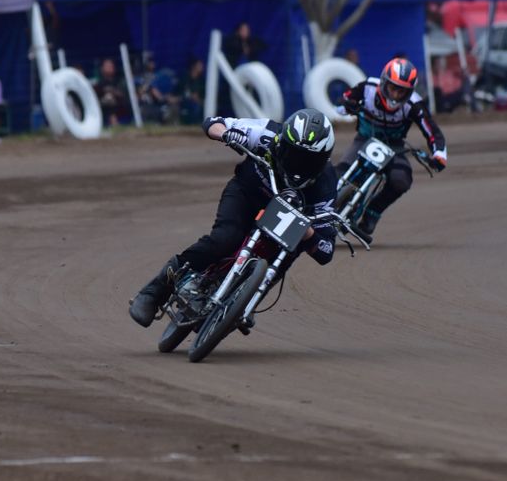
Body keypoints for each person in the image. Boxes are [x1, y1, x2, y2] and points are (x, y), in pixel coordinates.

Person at [128, 108, 340, 328]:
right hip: (247, 194)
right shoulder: (265, 132)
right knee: (225, 238)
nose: (299, 165)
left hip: (286, 219)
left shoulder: (326, 184)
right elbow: (212, 123)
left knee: (291, 249)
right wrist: (227, 134)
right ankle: (155, 291)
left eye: (309, 161)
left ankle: (247, 300)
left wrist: (308, 233)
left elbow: (326, 252)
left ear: (324, 159)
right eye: (294, 155)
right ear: (282, 142)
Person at [334, 56, 447, 244]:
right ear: (383, 82)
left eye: (401, 91)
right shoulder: (367, 88)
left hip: (394, 148)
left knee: (401, 180)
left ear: (409, 92)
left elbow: (432, 131)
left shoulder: (414, 105)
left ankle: (372, 214)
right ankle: (320, 208)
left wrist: (439, 154)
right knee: (338, 174)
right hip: (364, 140)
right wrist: (348, 105)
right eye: (392, 87)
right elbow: (344, 101)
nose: (395, 95)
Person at [93, 57, 129, 127]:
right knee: (107, 99)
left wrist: (112, 91)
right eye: (107, 66)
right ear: (102, 69)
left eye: (111, 66)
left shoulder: (120, 81)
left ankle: (114, 123)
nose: (110, 68)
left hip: (120, 106)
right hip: (103, 107)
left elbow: (123, 95)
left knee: (110, 98)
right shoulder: (99, 84)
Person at [177, 58, 206, 125]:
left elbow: (203, 96)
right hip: (183, 102)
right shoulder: (184, 78)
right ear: (194, 66)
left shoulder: (201, 81)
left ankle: (196, 124)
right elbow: (177, 93)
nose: (202, 67)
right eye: (199, 65)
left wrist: (197, 99)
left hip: (198, 103)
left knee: (197, 107)